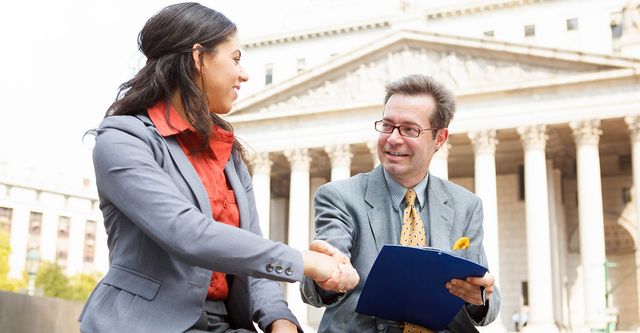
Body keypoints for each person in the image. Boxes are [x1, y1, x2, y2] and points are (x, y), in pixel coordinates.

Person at [78, 3, 358, 333]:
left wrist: (280, 320)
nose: (244, 74)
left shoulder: (228, 153)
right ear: (198, 58)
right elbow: (187, 233)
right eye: (235, 59)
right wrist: (306, 262)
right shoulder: (123, 140)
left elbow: (251, 256)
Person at [300, 74, 501, 333]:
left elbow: (490, 302)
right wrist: (327, 276)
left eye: (409, 129)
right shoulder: (339, 196)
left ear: (439, 138)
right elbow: (314, 286)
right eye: (387, 126)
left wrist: (479, 297)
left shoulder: (466, 205)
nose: (393, 138)